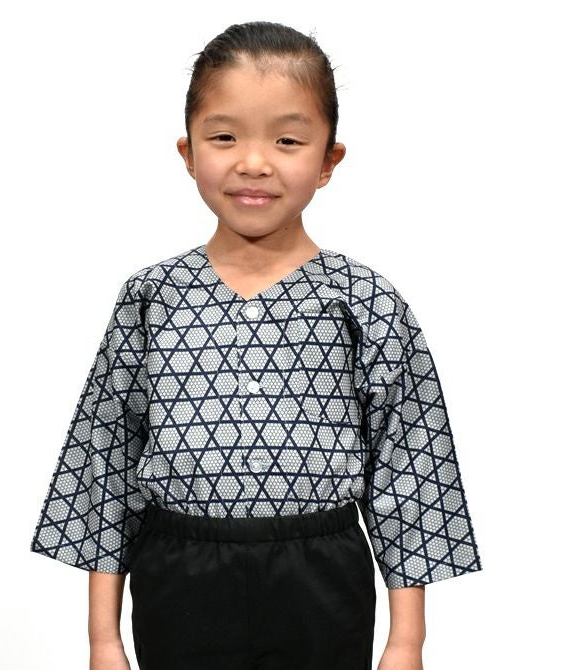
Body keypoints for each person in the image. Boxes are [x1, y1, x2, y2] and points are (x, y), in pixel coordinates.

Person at [30, 20, 483, 670]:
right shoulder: (151, 297)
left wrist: (407, 641)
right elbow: (106, 464)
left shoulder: (364, 300)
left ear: (328, 160)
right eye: (225, 136)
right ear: (188, 153)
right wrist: (103, 638)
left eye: (288, 139)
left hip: (321, 580)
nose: (253, 162)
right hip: (178, 578)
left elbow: (409, 467)